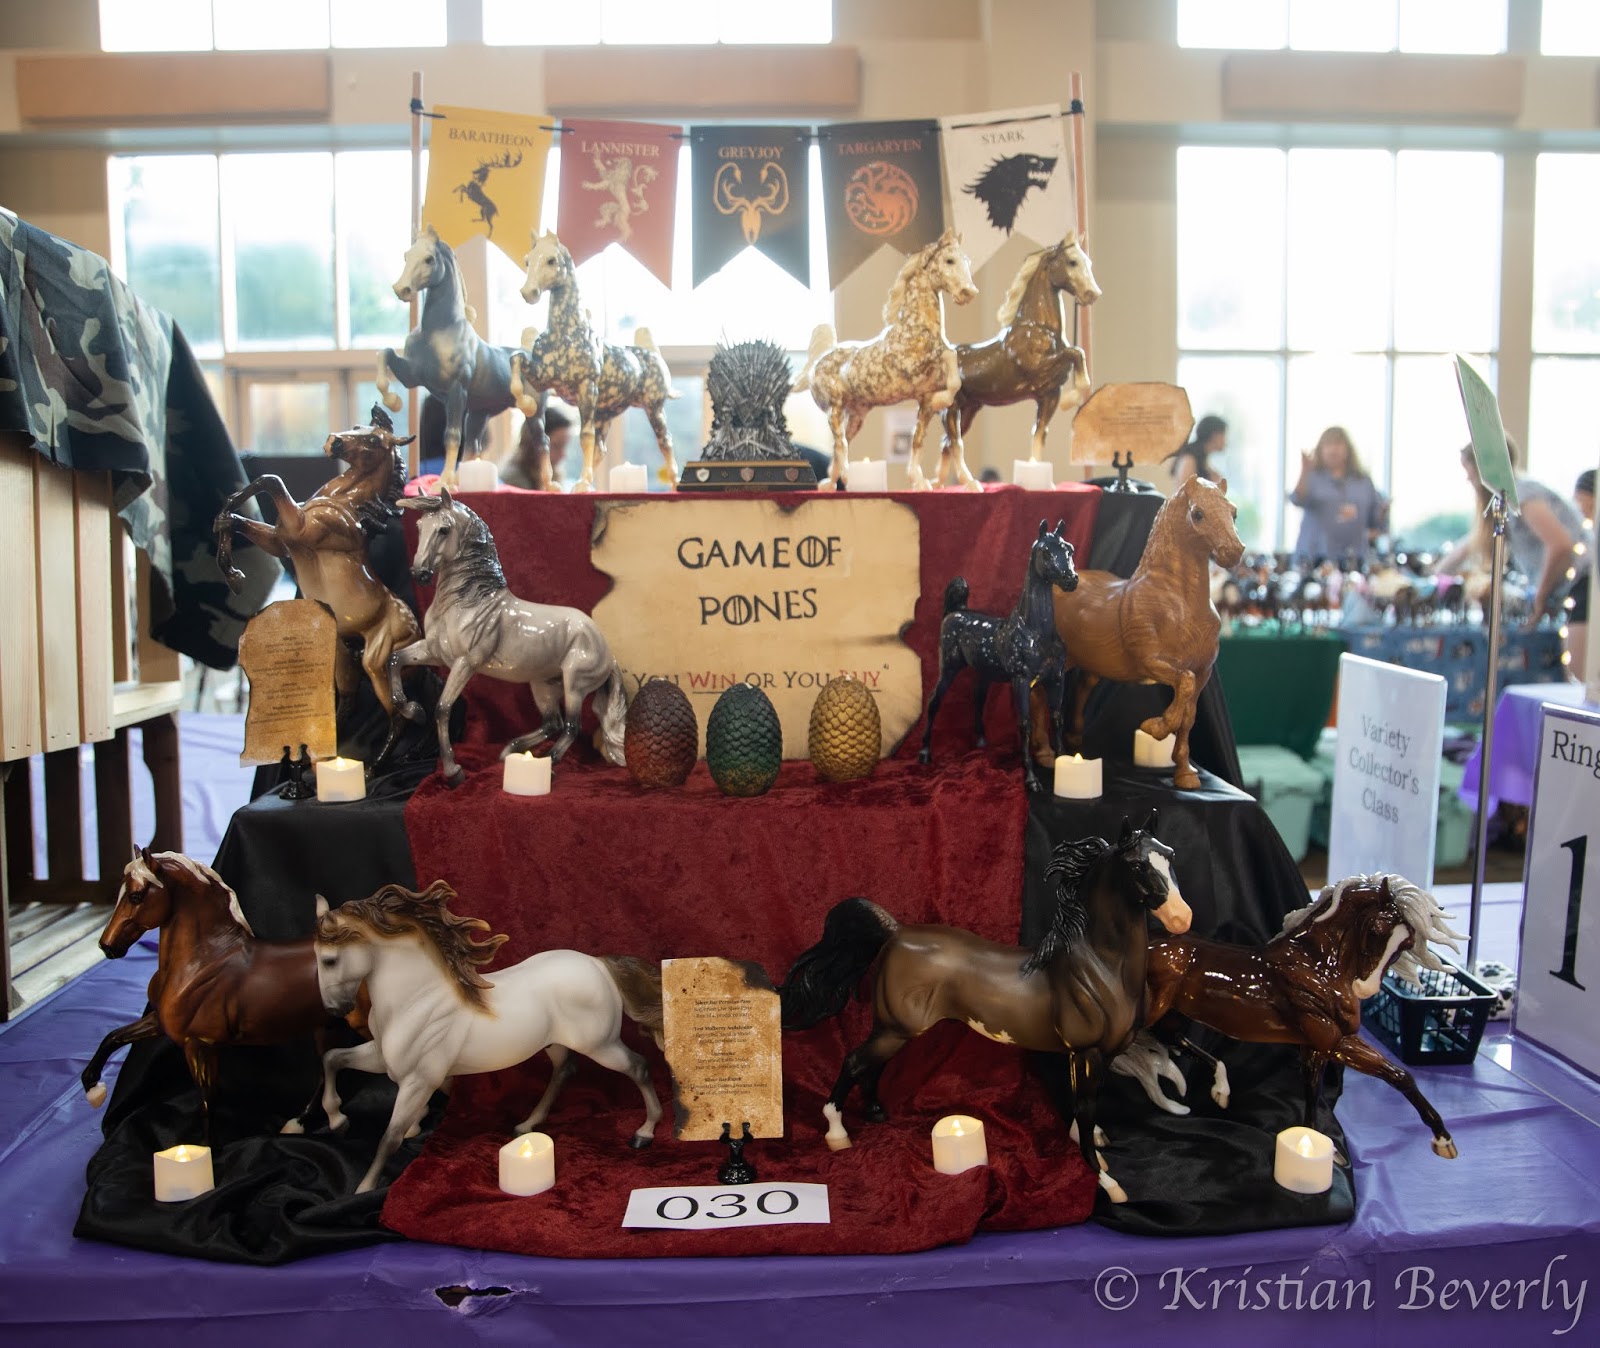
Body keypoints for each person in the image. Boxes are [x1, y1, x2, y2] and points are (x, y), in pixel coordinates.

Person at [1435, 438, 1583, 639]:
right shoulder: (1505, 500)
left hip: (1580, 588)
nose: (1467, 478)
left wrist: (1540, 597)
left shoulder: (1521, 495)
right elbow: (1470, 544)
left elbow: (1561, 545)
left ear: (1483, 468)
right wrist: (1436, 575)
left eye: (1468, 470)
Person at [1288, 426, 1388, 562]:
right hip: (1314, 558)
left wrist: (1382, 513)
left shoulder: (1363, 481)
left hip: (1353, 559)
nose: (1333, 450)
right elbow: (1297, 499)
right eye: (1328, 445)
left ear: (1348, 449)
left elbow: (1377, 523)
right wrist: (1305, 471)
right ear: (1320, 450)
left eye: (1338, 444)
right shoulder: (1312, 477)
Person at [501, 406, 573, 491]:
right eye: (556, 446)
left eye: (565, 446)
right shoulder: (514, 481)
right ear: (533, 444)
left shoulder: (555, 475)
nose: (563, 455)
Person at [1166, 413, 1226, 485]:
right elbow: (1185, 488)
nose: (1225, 440)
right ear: (1214, 435)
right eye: (1223, 435)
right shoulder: (1190, 458)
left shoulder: (1203, 459)